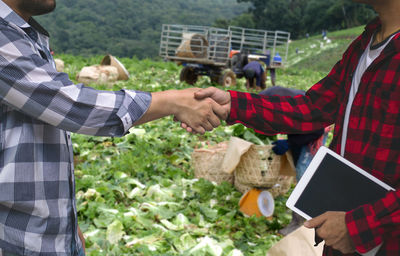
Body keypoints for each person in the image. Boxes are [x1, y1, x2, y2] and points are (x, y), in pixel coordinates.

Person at [0, 1, 225, 255]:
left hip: (49, 236)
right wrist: (172, 101)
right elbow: (72, 106)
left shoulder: (28, 35)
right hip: (17, 241)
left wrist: (69, 227)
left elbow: (39, 135)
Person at [192, 0, 400, 255]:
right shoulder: (365, 43)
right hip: (341, 228)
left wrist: (358, 226)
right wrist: (233, 104)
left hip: (383, 237)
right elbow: (312, 108)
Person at [260, 86, 328, 236]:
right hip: (305, 130)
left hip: (315, 133)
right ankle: (306, 219)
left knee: (305, 176)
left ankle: (301, 224)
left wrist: (289, 144)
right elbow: (293, 125)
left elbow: (315, 130)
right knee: (300, 170)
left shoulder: (296, 106)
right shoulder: (272, 101)